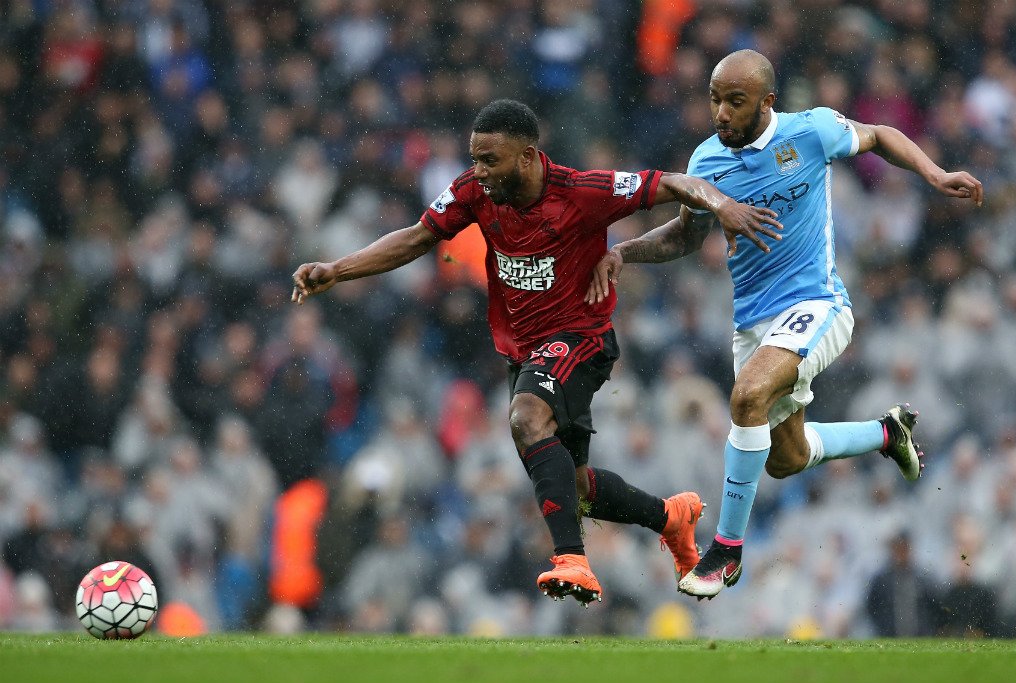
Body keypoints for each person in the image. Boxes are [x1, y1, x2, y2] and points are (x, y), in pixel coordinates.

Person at [292, 99, 782, 605]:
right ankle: (670, 517)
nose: (479, 171)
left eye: (490, 160)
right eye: (475, 159)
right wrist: (338, 269)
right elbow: (417, 237)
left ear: (527, 156)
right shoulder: (473, 191)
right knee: (575, 487)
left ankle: (572, 561)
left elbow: (676, 183)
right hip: (526, 353)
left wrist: (723, 206)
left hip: (581, 340)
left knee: (526, 418)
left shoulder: (582, 192)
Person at [588, 50, 984, 599]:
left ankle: (725, 551)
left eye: (735, 101)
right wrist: (623, 252)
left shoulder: (812, 131)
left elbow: (881, 135)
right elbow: (684, 237)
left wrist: (935, 175)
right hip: (753, 323)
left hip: (818, 304)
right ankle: (887, 433)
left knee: (747, 398)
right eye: (715, 100)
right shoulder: (706, 161)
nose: (721, 113)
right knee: (785, 458)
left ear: (767, 101)